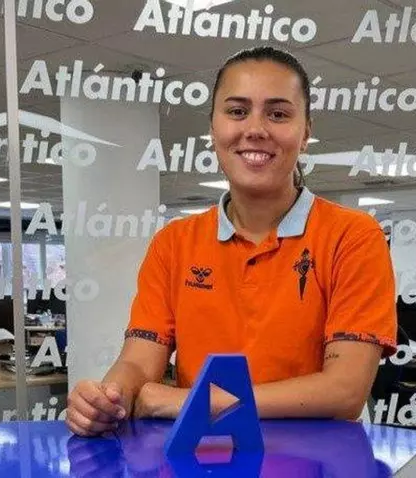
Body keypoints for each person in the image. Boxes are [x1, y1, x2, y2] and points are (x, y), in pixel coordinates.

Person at [65, 46, 398, 437]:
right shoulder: (173, 243)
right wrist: (109, 398)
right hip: (202, 456)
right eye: (237, 111)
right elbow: (138, 363)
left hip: (313, 458)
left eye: (278, 114)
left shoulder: (353, 236)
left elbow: (344, 391)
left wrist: (194, 401)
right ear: (213, 129)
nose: (255, 128)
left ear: (306, 132)